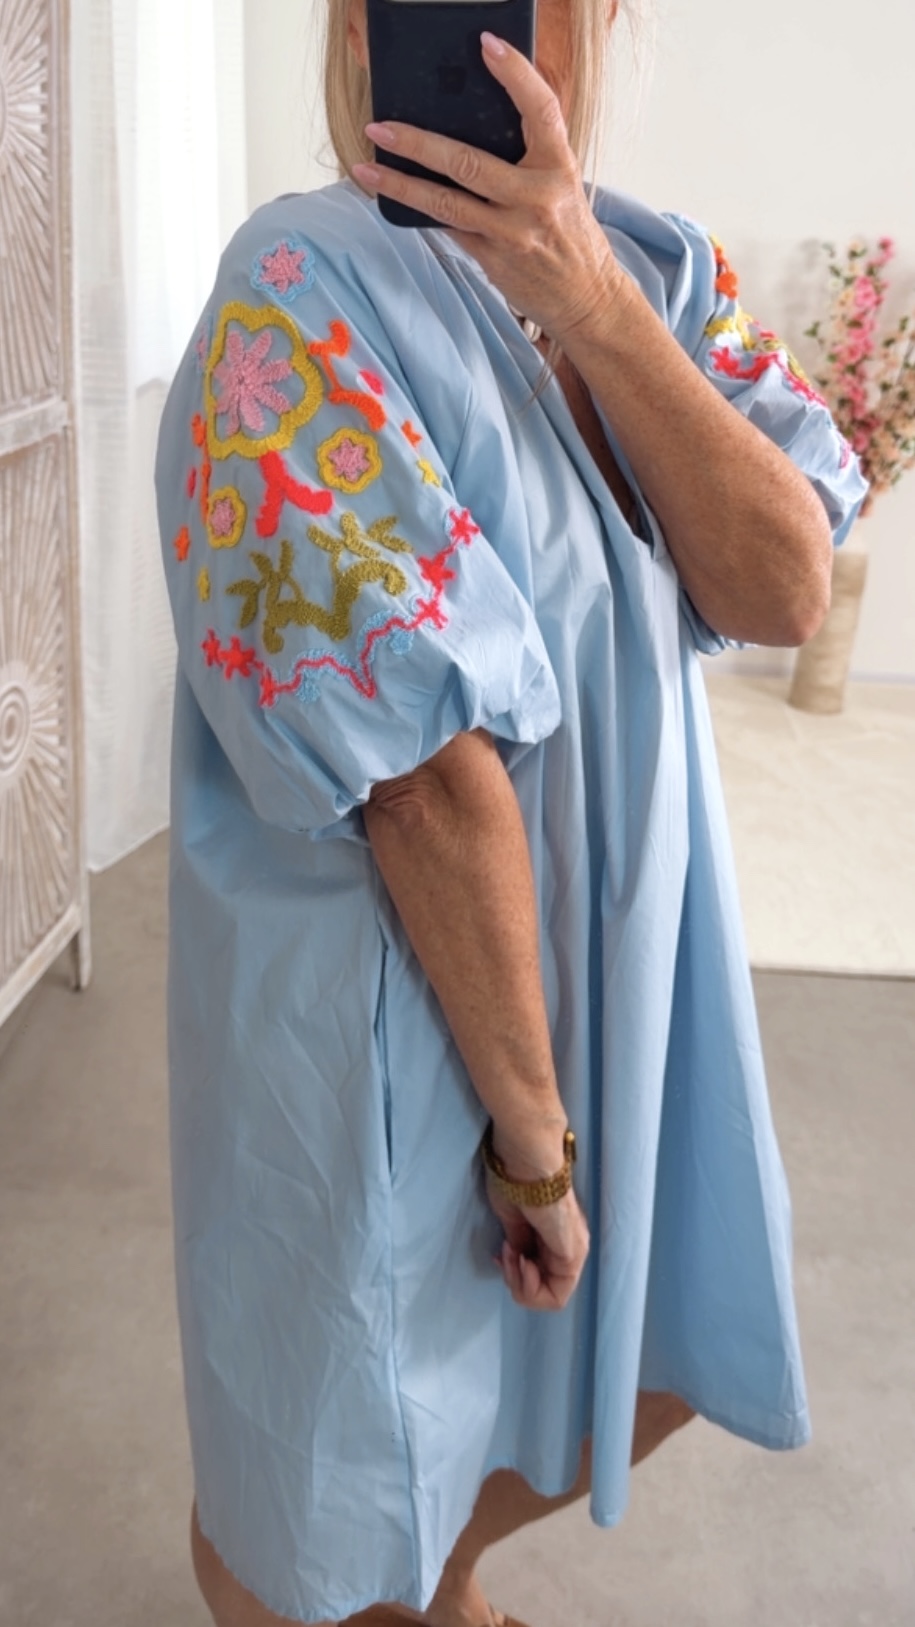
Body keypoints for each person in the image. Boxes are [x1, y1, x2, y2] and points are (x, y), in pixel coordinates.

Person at [155, 1, 867, 1623]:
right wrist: (533, 1146)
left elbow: (782, 583)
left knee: (605, 1354)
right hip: (414, 995)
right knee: (347, 1433)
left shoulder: (655, 269)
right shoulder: (298, 288)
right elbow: (424, 783)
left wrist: (592, 304)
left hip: (614, 962)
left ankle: (454, 1580)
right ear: (359, 24)